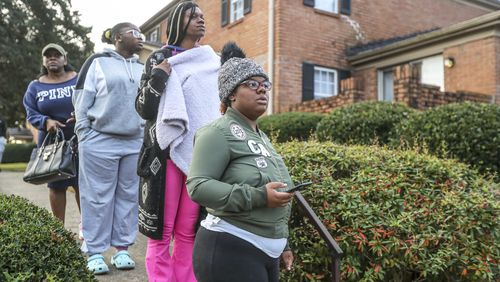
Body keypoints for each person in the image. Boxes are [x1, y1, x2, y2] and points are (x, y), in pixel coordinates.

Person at [186, 42, 295, 282]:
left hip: (265, 252)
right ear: (232, 93)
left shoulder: (261, 137)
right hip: (230, 247)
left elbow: (275, 188)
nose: (262, 90)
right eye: (252, 84)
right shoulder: (216, 131)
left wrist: (283, 242)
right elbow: (198, 186)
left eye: (265, 85)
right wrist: (258, 196)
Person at [135, 2, 220, 281]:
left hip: (200, 154)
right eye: (192, 15)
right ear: (176, 21)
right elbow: (143, 109)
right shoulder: (159, 57)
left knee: (187, 231)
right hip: (164, 154)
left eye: (202, 16)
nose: (200, 20)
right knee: (162, 232)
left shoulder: (211, 61)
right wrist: (160, 74)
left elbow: (214, 107)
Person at [72, 22, 144, 275]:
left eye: (141, 33)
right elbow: (81, 97)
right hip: (99, 139)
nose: (140, 37)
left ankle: (122, 248)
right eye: (134, 33)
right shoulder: (97, 62)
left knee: (128, 196)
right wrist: (84, 133)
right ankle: (93, 251)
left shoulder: (142, 67)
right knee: (97, 197)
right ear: (117, 38)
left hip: (134, 141)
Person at [22, 43, 80, 223]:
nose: (52, 58)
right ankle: (59, 233)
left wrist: (83, 115)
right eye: (48, 56)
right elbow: (31, 112)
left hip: (80, 140)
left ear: (65, 59)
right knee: (56, 185)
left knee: (82, 185)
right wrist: (45, 121)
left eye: (57, 55)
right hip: (50, 143)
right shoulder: (35, 86)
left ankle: (88, 233)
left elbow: (94, 101)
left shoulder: (79, 79)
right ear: (44, 61)